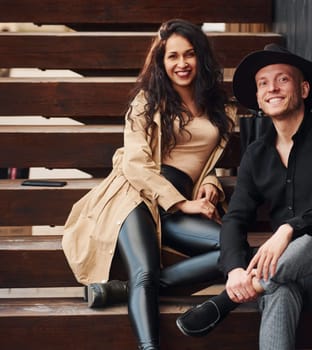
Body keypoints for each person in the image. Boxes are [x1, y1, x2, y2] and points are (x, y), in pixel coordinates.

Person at [61, 19, 235, 350]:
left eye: (189, 54)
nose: (182, 64)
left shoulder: (220, 108)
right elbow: (135, 163)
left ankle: (123, 291)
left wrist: (212, 182)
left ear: (201, 57)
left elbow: (207, 160)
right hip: (135, 194)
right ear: (161, 61)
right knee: (143, 271)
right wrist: (182, 203)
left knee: (233, 249)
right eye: (173, 56)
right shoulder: (147, 101)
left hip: (180, 198)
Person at [176, 44, 312, 349]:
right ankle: (251, 285)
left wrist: (290, 228)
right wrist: (233, 270)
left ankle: (227, 300)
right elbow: (235, 218)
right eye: (263, 83)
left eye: (282, 79)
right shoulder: (257, 154)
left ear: (304, 89)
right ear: (258, 97)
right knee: (279, 291)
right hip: (284, 277)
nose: (272, 88)